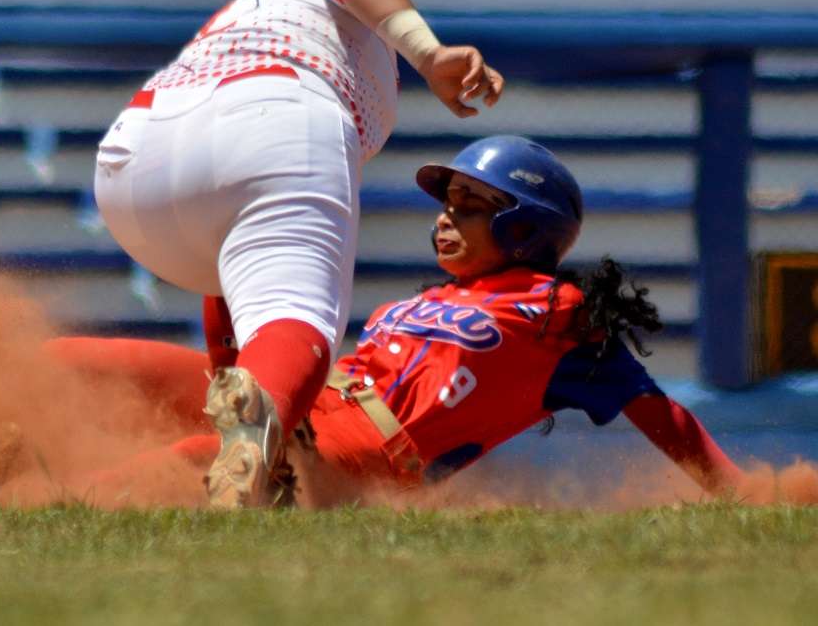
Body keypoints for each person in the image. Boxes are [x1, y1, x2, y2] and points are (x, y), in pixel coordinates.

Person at [67, 136, 744, 503]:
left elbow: (666, 417)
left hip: (371, 452)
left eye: (472, 203)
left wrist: (743, 497)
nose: (447, 215)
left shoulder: (559, 314)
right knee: (97, 365)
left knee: (204, 459)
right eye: (448, 200)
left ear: (526, 225)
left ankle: (40, 505)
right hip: (313, 403)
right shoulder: (418, 302)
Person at [92, 0, 505, 508]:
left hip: (133, 171)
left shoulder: (234, 16)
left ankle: (255, 429)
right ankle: (256, 436)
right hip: (274, 110)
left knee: (254, 291)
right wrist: (429, 51)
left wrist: (242, 382)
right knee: (299, 318)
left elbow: (231, 275)